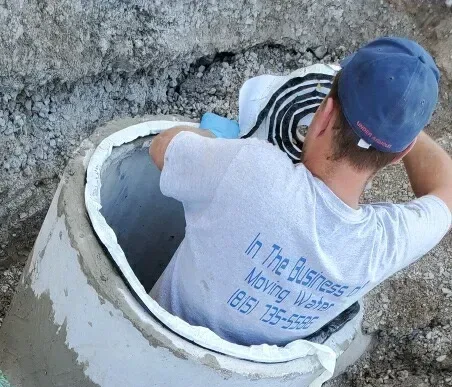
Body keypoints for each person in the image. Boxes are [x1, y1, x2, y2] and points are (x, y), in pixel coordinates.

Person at [149, 37, 452, 347]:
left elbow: (161, 148)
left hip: (148, 343)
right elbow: (446, 188)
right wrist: (397, 118)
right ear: (401, 154)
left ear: (322, 115)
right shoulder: (383, 246)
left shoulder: (250, 169)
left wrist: (211, 137)